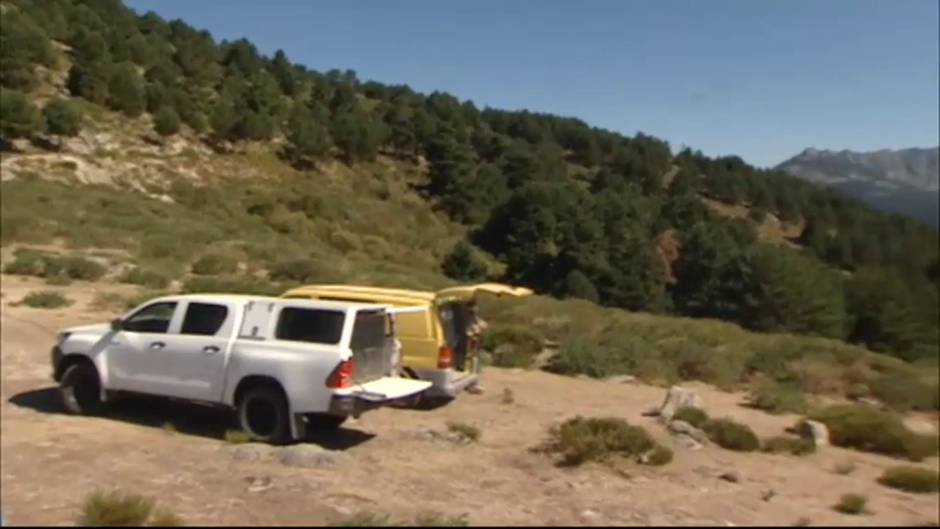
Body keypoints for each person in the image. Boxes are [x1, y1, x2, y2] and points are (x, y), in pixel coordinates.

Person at [465, 302, 489, 395]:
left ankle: (472, 383)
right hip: (470, 345)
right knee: (473, 364)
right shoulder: (468, 319)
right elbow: (471, 330)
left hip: (474, 345)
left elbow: (484, 325)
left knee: (474, 363)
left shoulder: (474, 318)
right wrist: (477, 329)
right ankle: (472, 385)